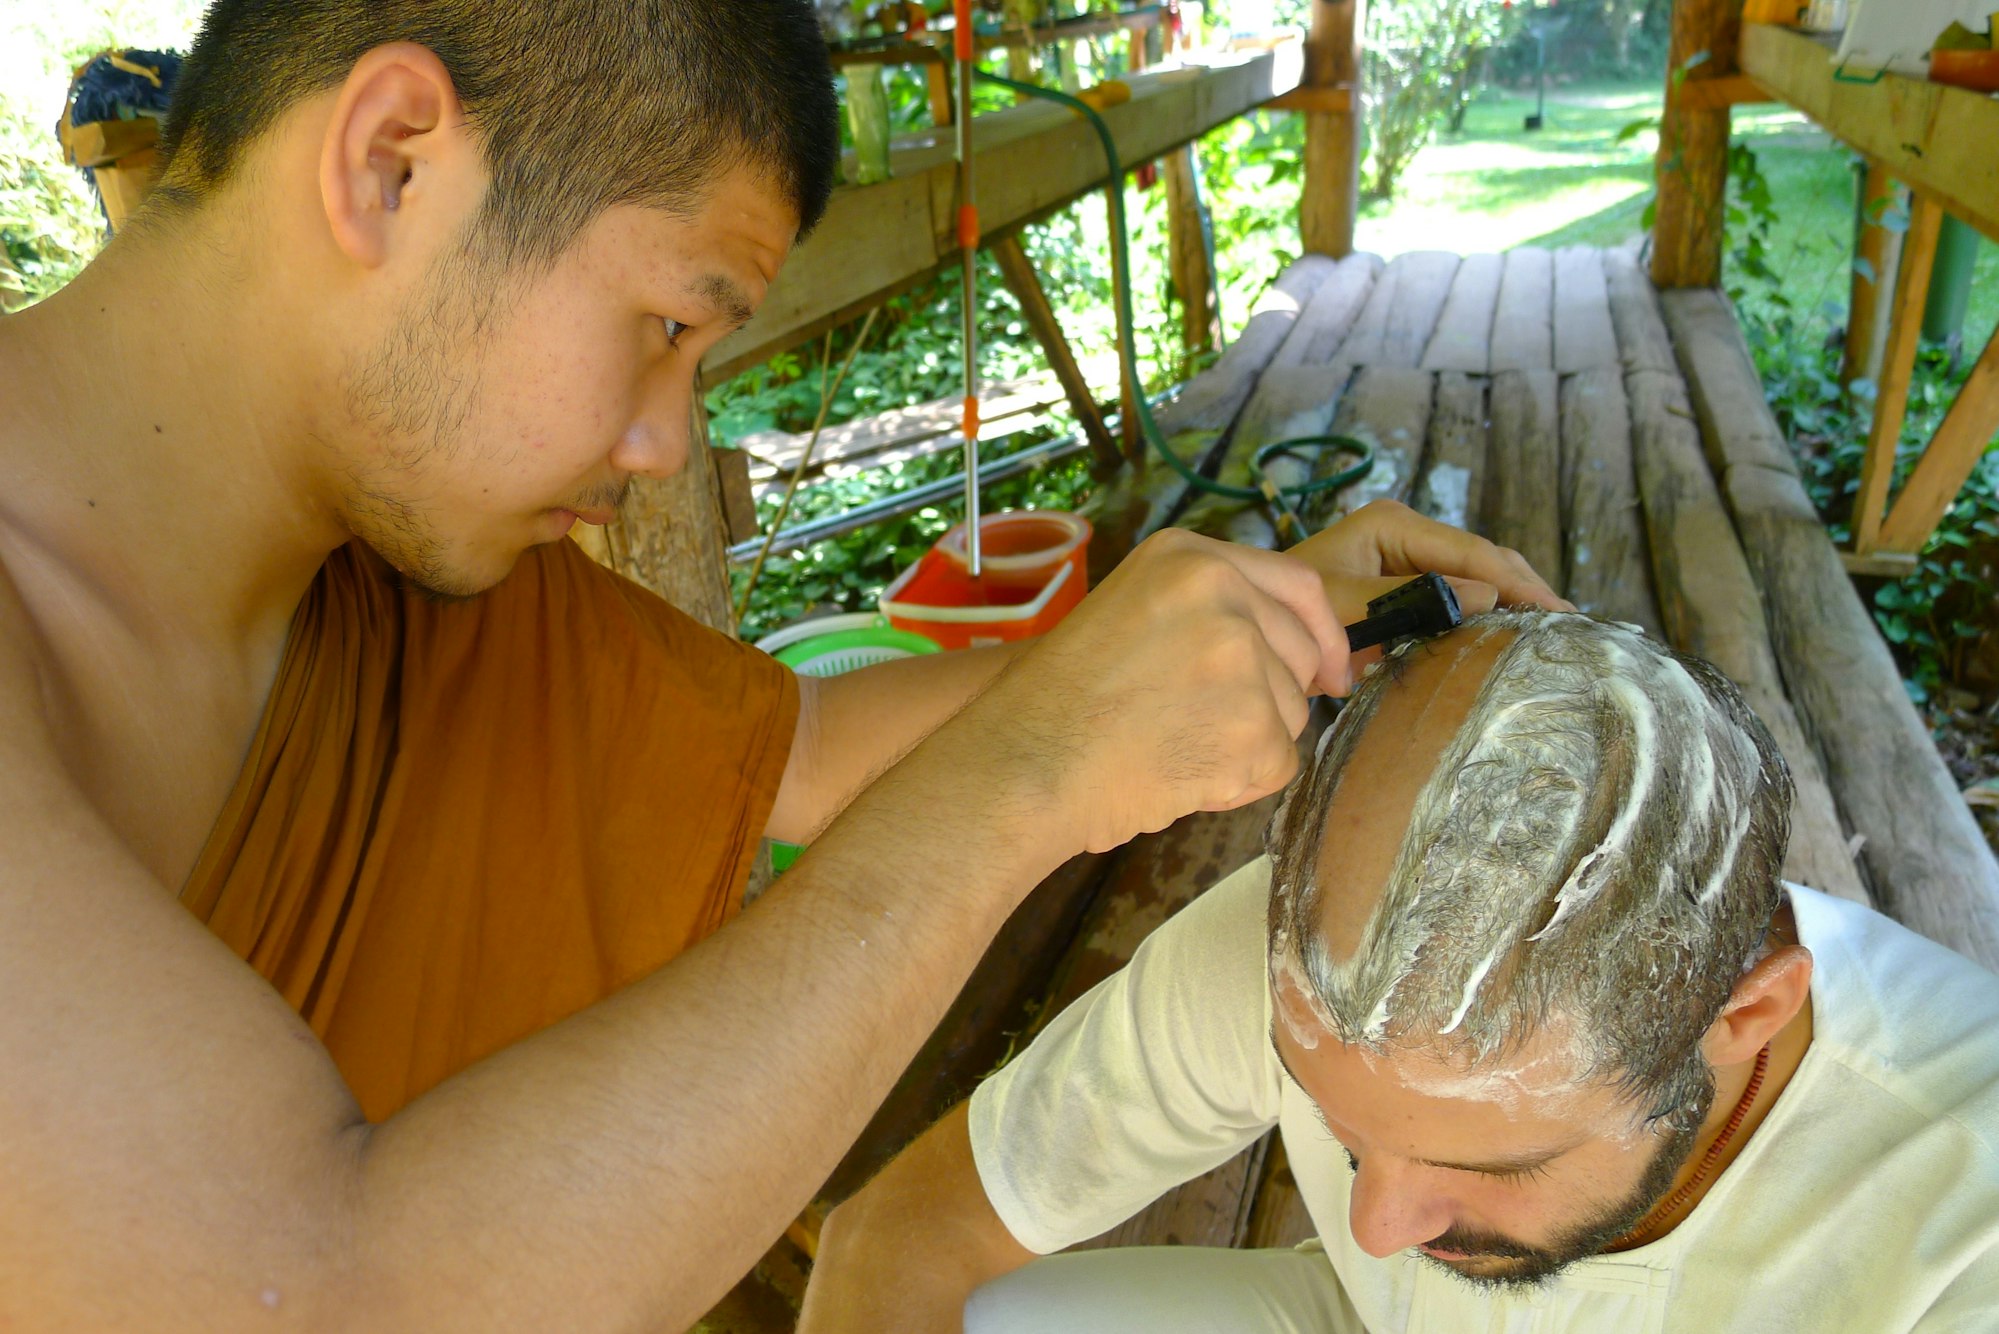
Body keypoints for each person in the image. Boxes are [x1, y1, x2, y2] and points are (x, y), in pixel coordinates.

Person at [0, 1, 1567, 1327]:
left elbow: (792, 751)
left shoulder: (389, 568)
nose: (665, 438)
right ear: (391, 161)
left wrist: (1256, 610)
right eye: (672, 321)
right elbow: (317, 1286)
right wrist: (1020, 786)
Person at [803, 612, 1999, 1332]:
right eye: (1338, 1127)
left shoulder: (1966, 1228)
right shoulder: (1290, 959)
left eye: (1488, 1157)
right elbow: (900, 1234)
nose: (1375, 1223)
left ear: (1746, 1013)